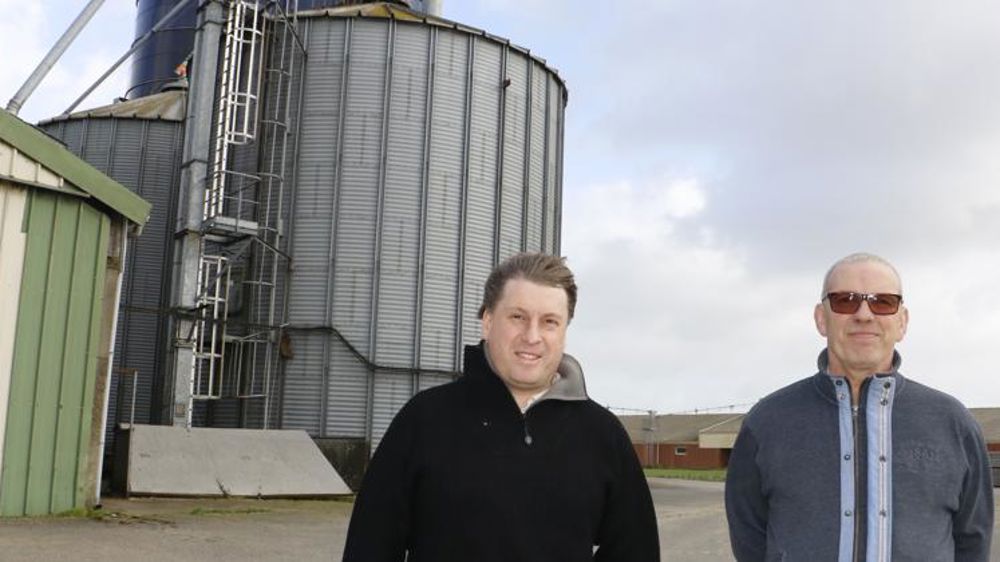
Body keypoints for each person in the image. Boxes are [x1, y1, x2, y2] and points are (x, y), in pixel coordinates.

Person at [342, 252, 660, 561]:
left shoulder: (602, 435)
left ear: (564, 331)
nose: (532, 336)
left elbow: (636, 551)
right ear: (488, 321)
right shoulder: (424, 420)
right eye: (518, 317)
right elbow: (370, 546)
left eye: (549, 322)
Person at [725, 252, 994, 562]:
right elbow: (749, 536)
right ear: (821, 318)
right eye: (845, 300)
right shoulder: (767, 422)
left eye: (883, 302)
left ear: (902, 322)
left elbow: (973, 539)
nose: (864, 314)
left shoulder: (953, 423)